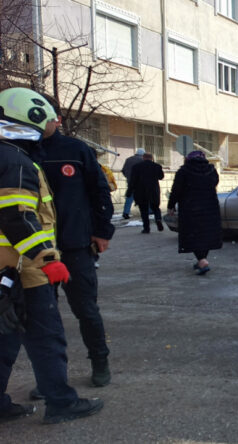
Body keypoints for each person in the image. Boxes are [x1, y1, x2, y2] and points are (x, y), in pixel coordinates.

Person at [0, 87, 103, 424]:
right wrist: (48, 259)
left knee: (6, 336)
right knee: (46, 337)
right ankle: (60, 402)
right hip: (24, 269)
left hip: (7, 268)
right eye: (49, 118)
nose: (54, 123)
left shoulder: (9, 154)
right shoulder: (15, 160)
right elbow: (17, 216)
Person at [33, 96, 115, 388]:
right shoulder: (20, 152)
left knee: (86, 310)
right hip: (34, 250)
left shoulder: (76, 150)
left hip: (75, 246)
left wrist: (102, 231)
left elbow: (100, 192)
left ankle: (100, 361)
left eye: (47, 116)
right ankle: (51, 378)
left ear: (57, 119)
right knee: (42, 317)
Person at [167, 150, 222, 275]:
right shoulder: (211, 170)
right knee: (207, 233)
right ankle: (203, 259)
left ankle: (202, 260)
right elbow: (215, 183)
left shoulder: (184, 171)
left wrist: (171, 205)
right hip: (210, 206)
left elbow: (176, 190)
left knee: (193, 233)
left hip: (190, 207)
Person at [129, 152, 164, 234]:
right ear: (152, 158)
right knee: (155, 207)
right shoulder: (157, 166)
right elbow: (161, 177)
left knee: (144, 210)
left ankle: (146, 228)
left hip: (141, 191)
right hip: (153, 190)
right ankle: (158, 219)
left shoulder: (136, 167)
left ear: (143, 158)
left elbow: (132, 180)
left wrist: (129, 191)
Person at [121, 148, 145, 219]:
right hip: (140, 183)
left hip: (130, 182)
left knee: (129, 198)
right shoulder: (142, 160)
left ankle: (125, 212)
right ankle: (147, 211)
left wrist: (128, 177)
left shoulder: (128, 159)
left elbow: (123, 170)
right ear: (143, 154)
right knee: (143, 198)